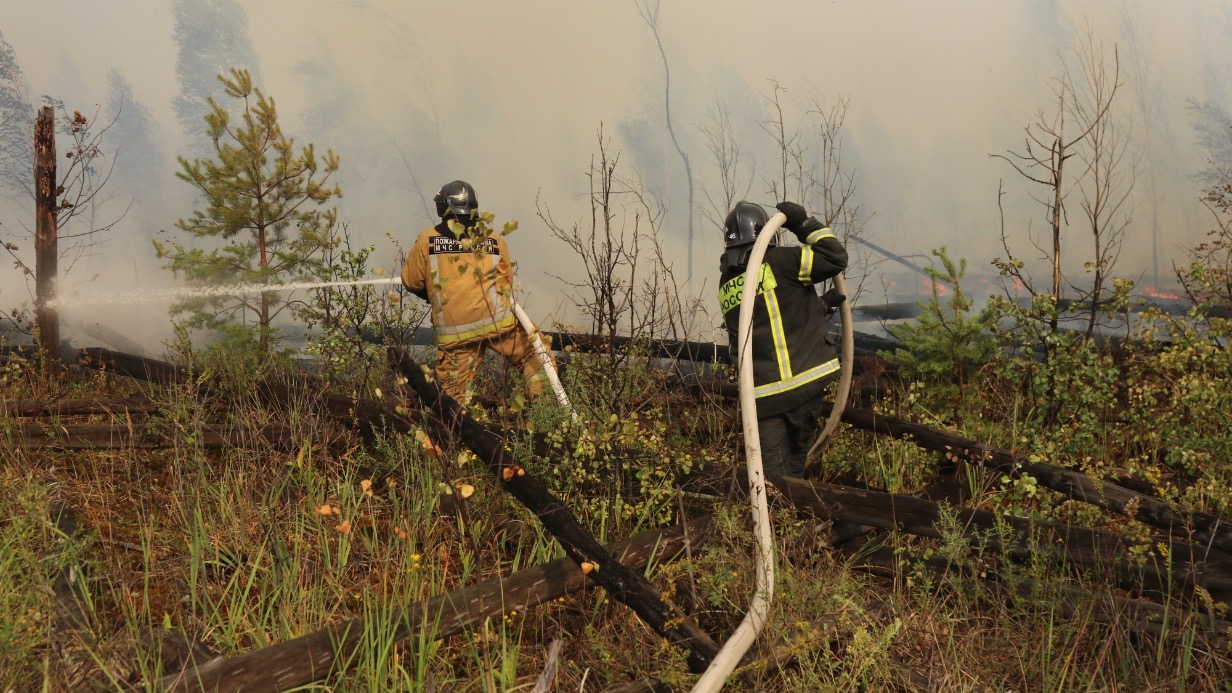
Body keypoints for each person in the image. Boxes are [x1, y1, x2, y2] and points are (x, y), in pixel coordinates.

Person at [717, 200, 848, 478]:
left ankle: (778, 519)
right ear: (769, 232)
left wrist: (819, 307)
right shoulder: (782, 261)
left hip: (762, 397)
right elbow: (835, 257)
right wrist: (803, 224)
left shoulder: (727, 282)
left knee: (773, 479)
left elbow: (765, 319)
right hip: (802, 384)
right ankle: (793, 517)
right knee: (795, 469)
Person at [401, 179, 552, 403]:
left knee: (450, 397)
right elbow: (506, 281)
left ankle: (449, 434)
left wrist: (436, 295)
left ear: (443, 206)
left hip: (455, 332)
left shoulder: (427, 239)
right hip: (498, 324)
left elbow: (412, 281)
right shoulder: (493, 239)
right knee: (537, 356)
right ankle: (543, 411)